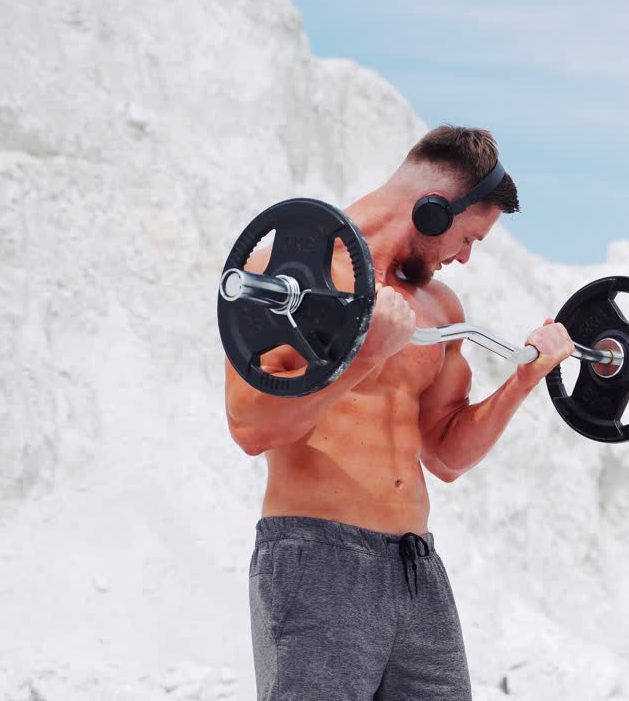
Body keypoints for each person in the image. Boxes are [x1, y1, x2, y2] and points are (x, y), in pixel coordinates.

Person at [224, 125, 574, 700]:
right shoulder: (294, 272)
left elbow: (445, 455)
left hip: (416, 569)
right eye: (468, 239)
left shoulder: (439, 306)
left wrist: (525, 379)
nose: (464, 256)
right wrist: (366, 354)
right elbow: (251, 427)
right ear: (434, 211)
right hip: (316, 558)